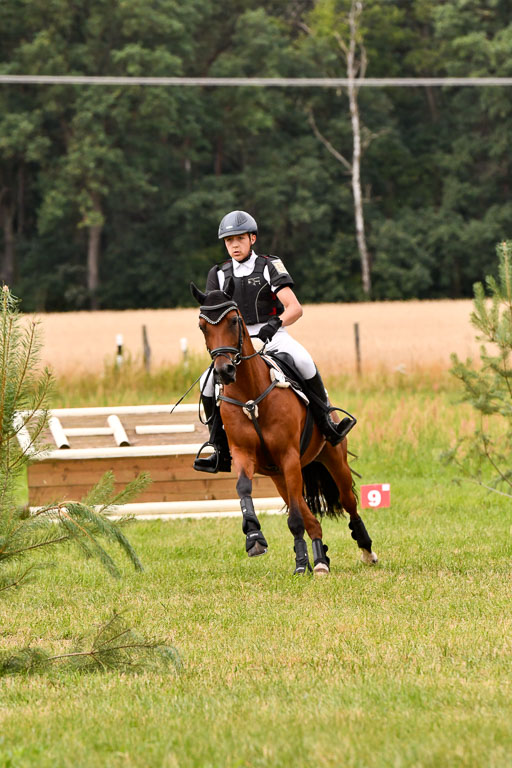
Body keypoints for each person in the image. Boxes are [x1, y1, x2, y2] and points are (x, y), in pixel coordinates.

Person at [194, 209, 356, 473]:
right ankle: (218, 447)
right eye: (229, 240)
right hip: (237, 342)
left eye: (240, 239)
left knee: (304, 361)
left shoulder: (269, 266)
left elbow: (294, 308)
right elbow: (214, 314)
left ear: (252, 239)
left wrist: (275, 324)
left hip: (273, 335)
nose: (234, 245)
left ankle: (328, 424)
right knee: (206, 382)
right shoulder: (219, 273)